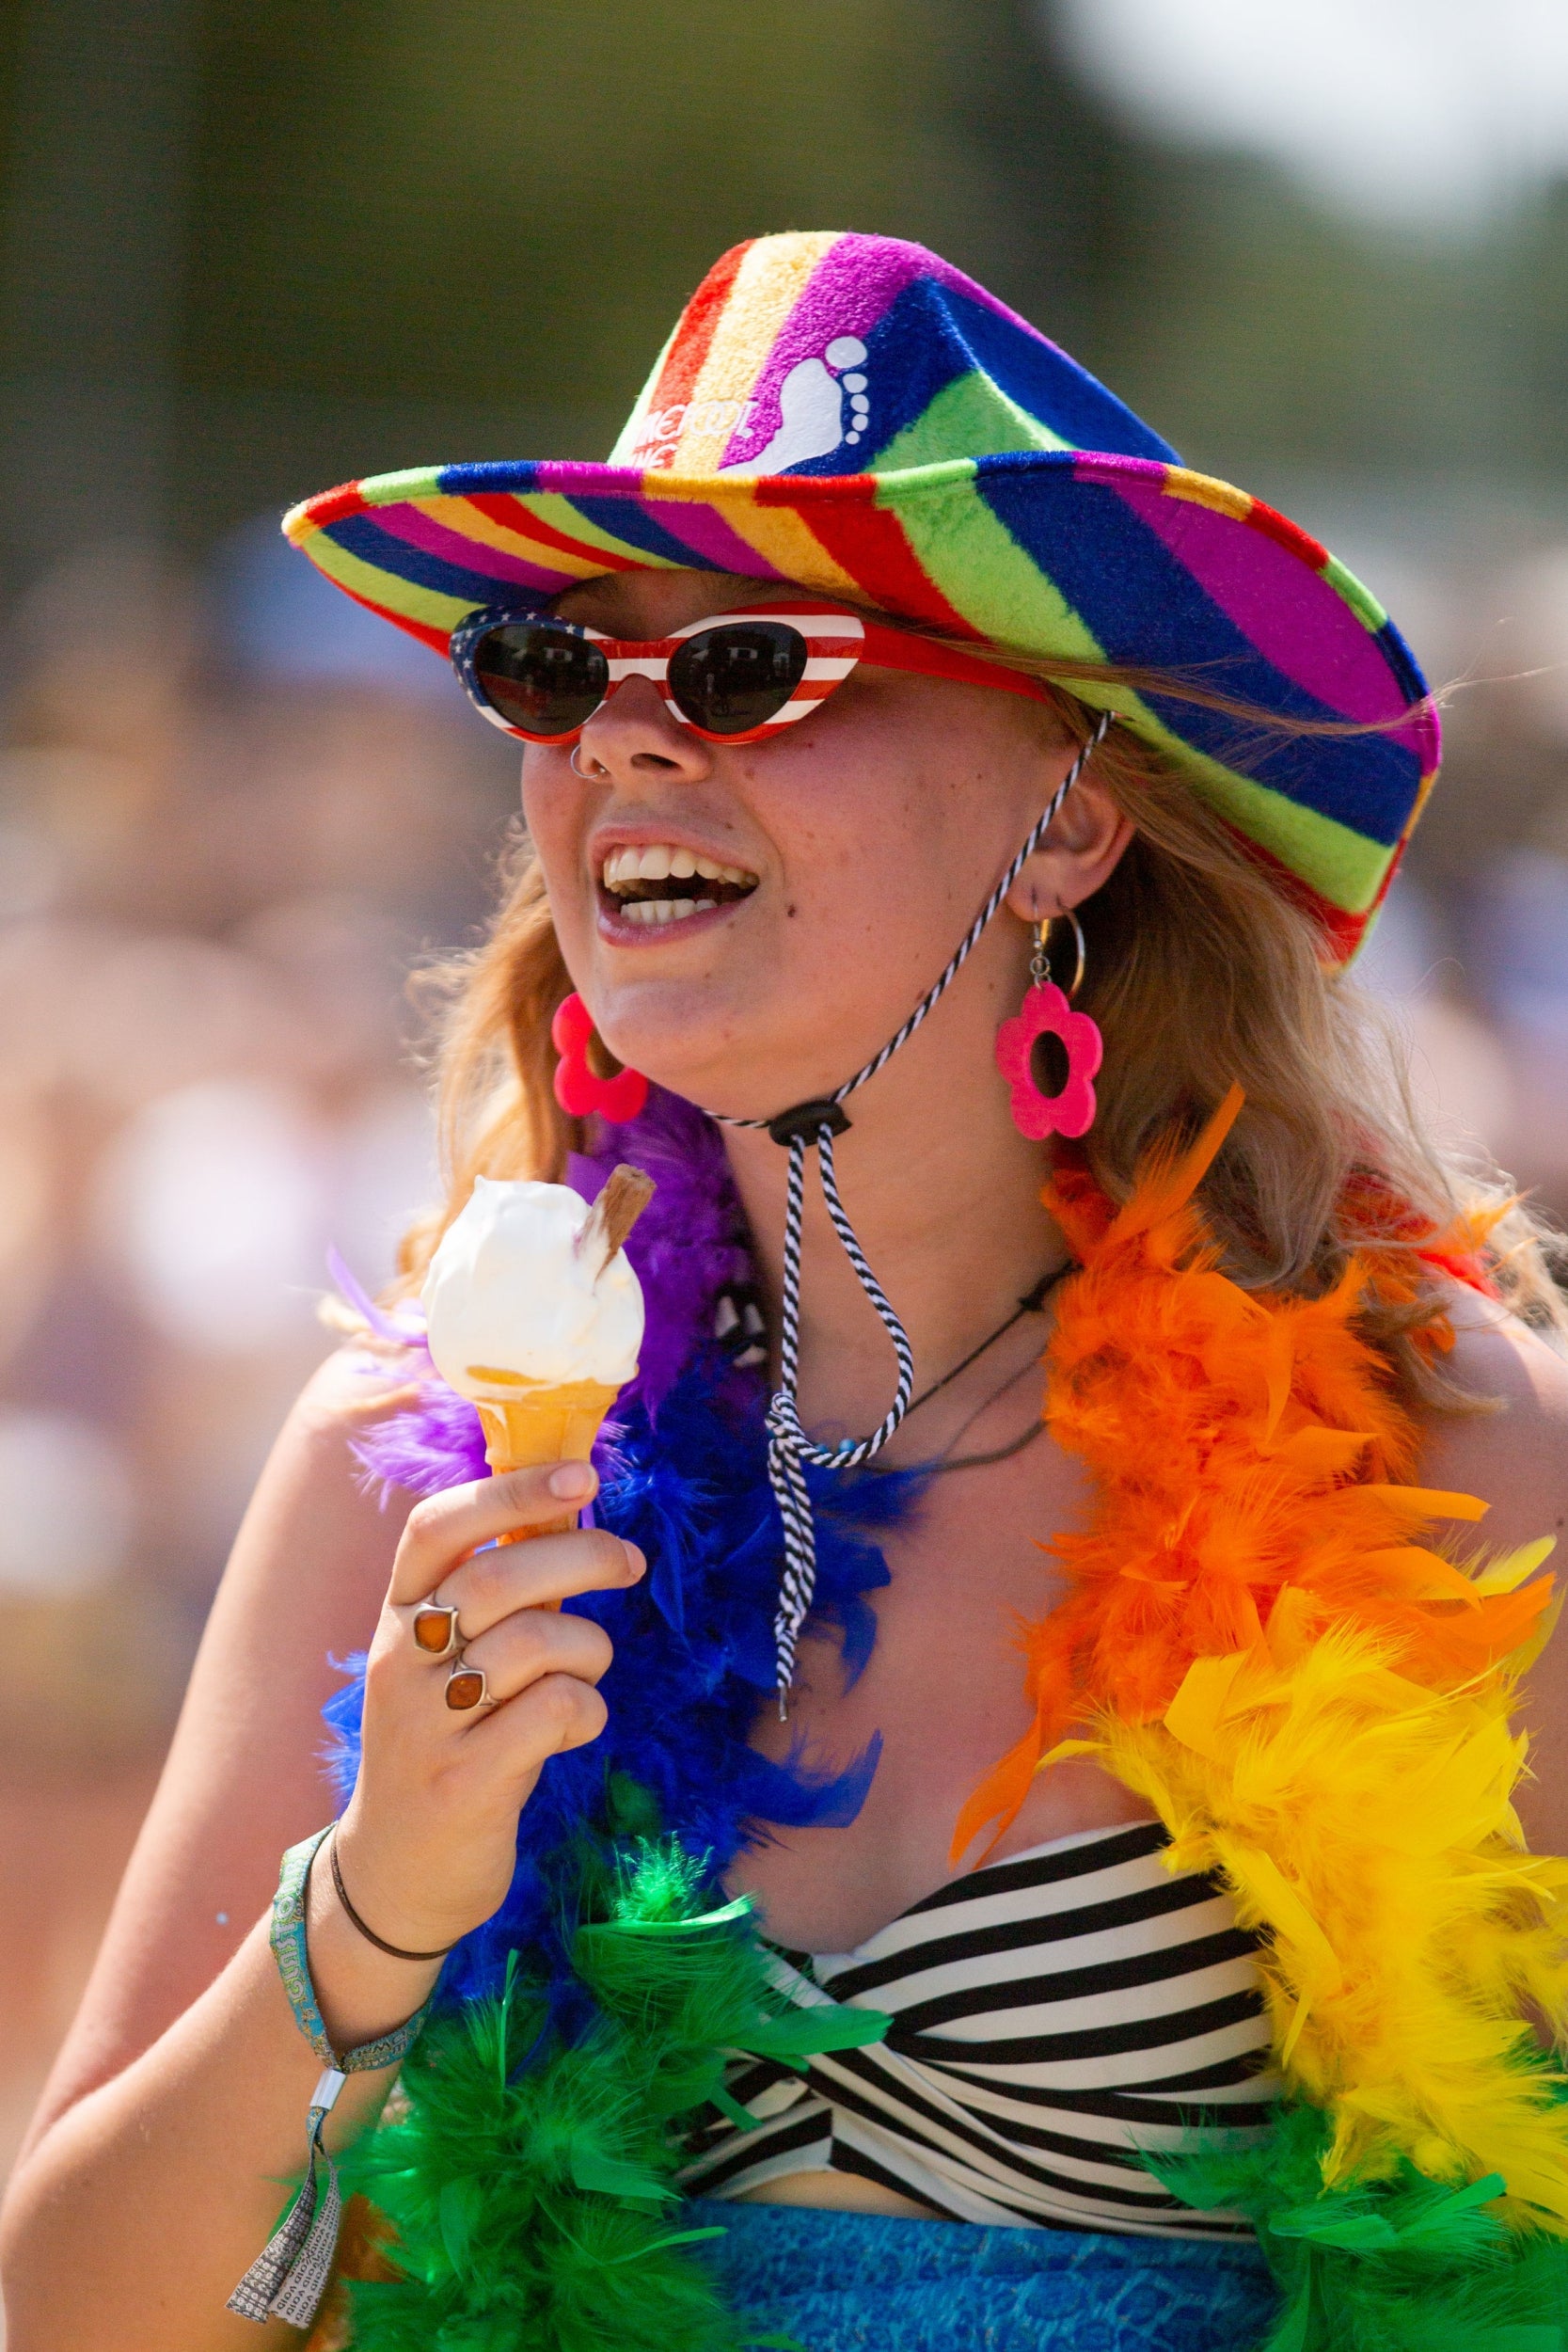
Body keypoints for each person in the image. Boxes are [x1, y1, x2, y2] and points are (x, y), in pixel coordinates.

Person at [5, 231, 1568, 2352]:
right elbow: (68, 2318)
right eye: (558, 667)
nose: (628, 743)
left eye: (750, 665)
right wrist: (373, 1910)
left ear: (1071, 819)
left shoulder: (1448, 1455)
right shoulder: (410, 1473)